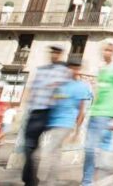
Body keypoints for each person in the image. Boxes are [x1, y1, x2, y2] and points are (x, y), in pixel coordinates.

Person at [22, 45, 71, 186]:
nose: (54, 55)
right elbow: (32, 89)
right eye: (52, 52)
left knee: (49, 150)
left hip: (50, 112)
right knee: (29, 147)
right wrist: (28, 106)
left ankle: (43, 181)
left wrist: (56, 96)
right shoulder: (41, 71)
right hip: (35, 111)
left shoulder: (63, 72)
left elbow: (64, 92)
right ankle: (30, 179)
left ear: (61, 54)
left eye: (57, 53)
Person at [82, 42, 113, 186]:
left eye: (110, 50)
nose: (106, 53)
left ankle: (88, 181)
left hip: (107, 114)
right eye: (105, 50)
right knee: (90, 149)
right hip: (95, 113)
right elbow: (97, 93)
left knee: (94, 149)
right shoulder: (101, 70)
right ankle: (89, 180)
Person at [43, 55, 91, 186]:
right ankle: (52, 180)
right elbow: (52, 102)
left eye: (76, 68)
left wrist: (77, 130)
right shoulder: (60, 85)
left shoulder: (82, 87)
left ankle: (50, 182)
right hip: (53, 122)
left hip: (66, 123)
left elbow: (82, 110)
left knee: (49, 151)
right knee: (55, 153)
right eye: (71, 68)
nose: (73, 71)